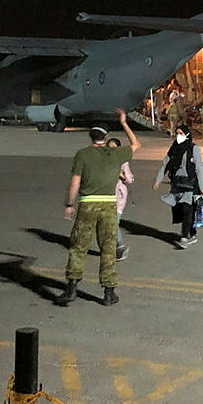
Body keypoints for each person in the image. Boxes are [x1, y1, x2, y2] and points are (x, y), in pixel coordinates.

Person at [58, 109, 140, 307]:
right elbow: (136, 145)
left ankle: (71, 289)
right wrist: (124, 123)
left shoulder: (83, 155)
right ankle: (109, 292)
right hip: (109, 205)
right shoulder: (115, 153)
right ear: (105, 136)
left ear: (90, 135)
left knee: (79, 247)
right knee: (108, 248)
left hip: (87, 204)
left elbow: (74, 184)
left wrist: (69, 204)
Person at [154, 123, 203, 248]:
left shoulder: (193, 148)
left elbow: (199, 169)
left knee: (187, 209)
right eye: (177, 133)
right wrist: (158, 179)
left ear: (187, 134)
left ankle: (184, 237)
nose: (178, 136)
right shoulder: (174, 147)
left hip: (190, 185)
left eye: (181, 133)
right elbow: (165, 163)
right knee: (179, 209)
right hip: (177, 184)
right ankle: (191, 232)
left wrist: (202, 188)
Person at [106, 137, 134, 261]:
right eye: (109, 147)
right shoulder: (103, 160)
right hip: (106, 194)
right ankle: (114, 248)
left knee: (113, 223)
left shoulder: (123, 161)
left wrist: (119, 173)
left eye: (114, 147)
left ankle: (120, 247)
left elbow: (129, 179)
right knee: (108, 223)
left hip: (119, 195)